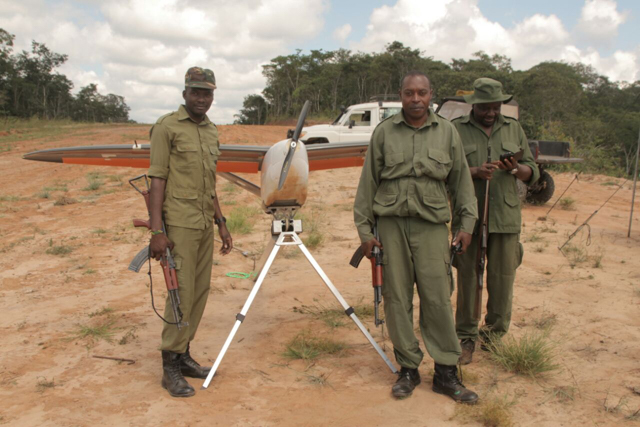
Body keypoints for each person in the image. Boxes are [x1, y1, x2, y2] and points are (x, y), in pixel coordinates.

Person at [354, 71, 479, 403]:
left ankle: (446, 373)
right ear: (401, 95)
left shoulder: (447, 133)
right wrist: (365, 232)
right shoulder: (384, 133)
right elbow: (368, 184)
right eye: (409, 93)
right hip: (391, 227)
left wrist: (466, 225)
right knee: (396, 300)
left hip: (432, 228)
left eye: (422, 93)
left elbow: (462, 183)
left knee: (437, 298)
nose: (416, 99)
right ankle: (408, 368)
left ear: (430, 95)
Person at [148, 66, 233, 397]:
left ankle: (183, 355)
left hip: (202, 223)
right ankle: (169, 365)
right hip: (178, 224)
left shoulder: (211, 131)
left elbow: (209, 183)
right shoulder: (167, 127)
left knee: (199, 290)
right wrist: (157, 230)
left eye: (207, 92)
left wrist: (221, 221)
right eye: (196, 92)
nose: (201, 98)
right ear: (185, 93)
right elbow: (157, 179)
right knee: (179, 292)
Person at [452, 78, 539, 365]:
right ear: (473, 105)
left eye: (496, 107)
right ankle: (465, 336)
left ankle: (494, 336)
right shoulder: (456, 130)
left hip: (505, 215)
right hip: (469, 216)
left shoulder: (513, 128)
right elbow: (446, 169)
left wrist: (515, 169)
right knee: (467, 277)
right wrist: (474, 171)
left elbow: (532, 172)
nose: (491, 113)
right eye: (485, 107)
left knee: (503, 278)